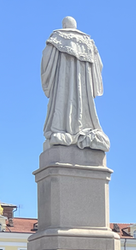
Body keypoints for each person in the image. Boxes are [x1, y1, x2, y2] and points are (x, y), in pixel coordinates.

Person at [41, 17, 110, 151]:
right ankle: (81, 130)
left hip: (62, 82)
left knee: (62, 100)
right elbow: (99, 65)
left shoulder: (57, 37)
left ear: (64, 25)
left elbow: (46, 58)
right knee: (81, 102)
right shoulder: (89, 43)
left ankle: (62, 129)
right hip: (83, 87)